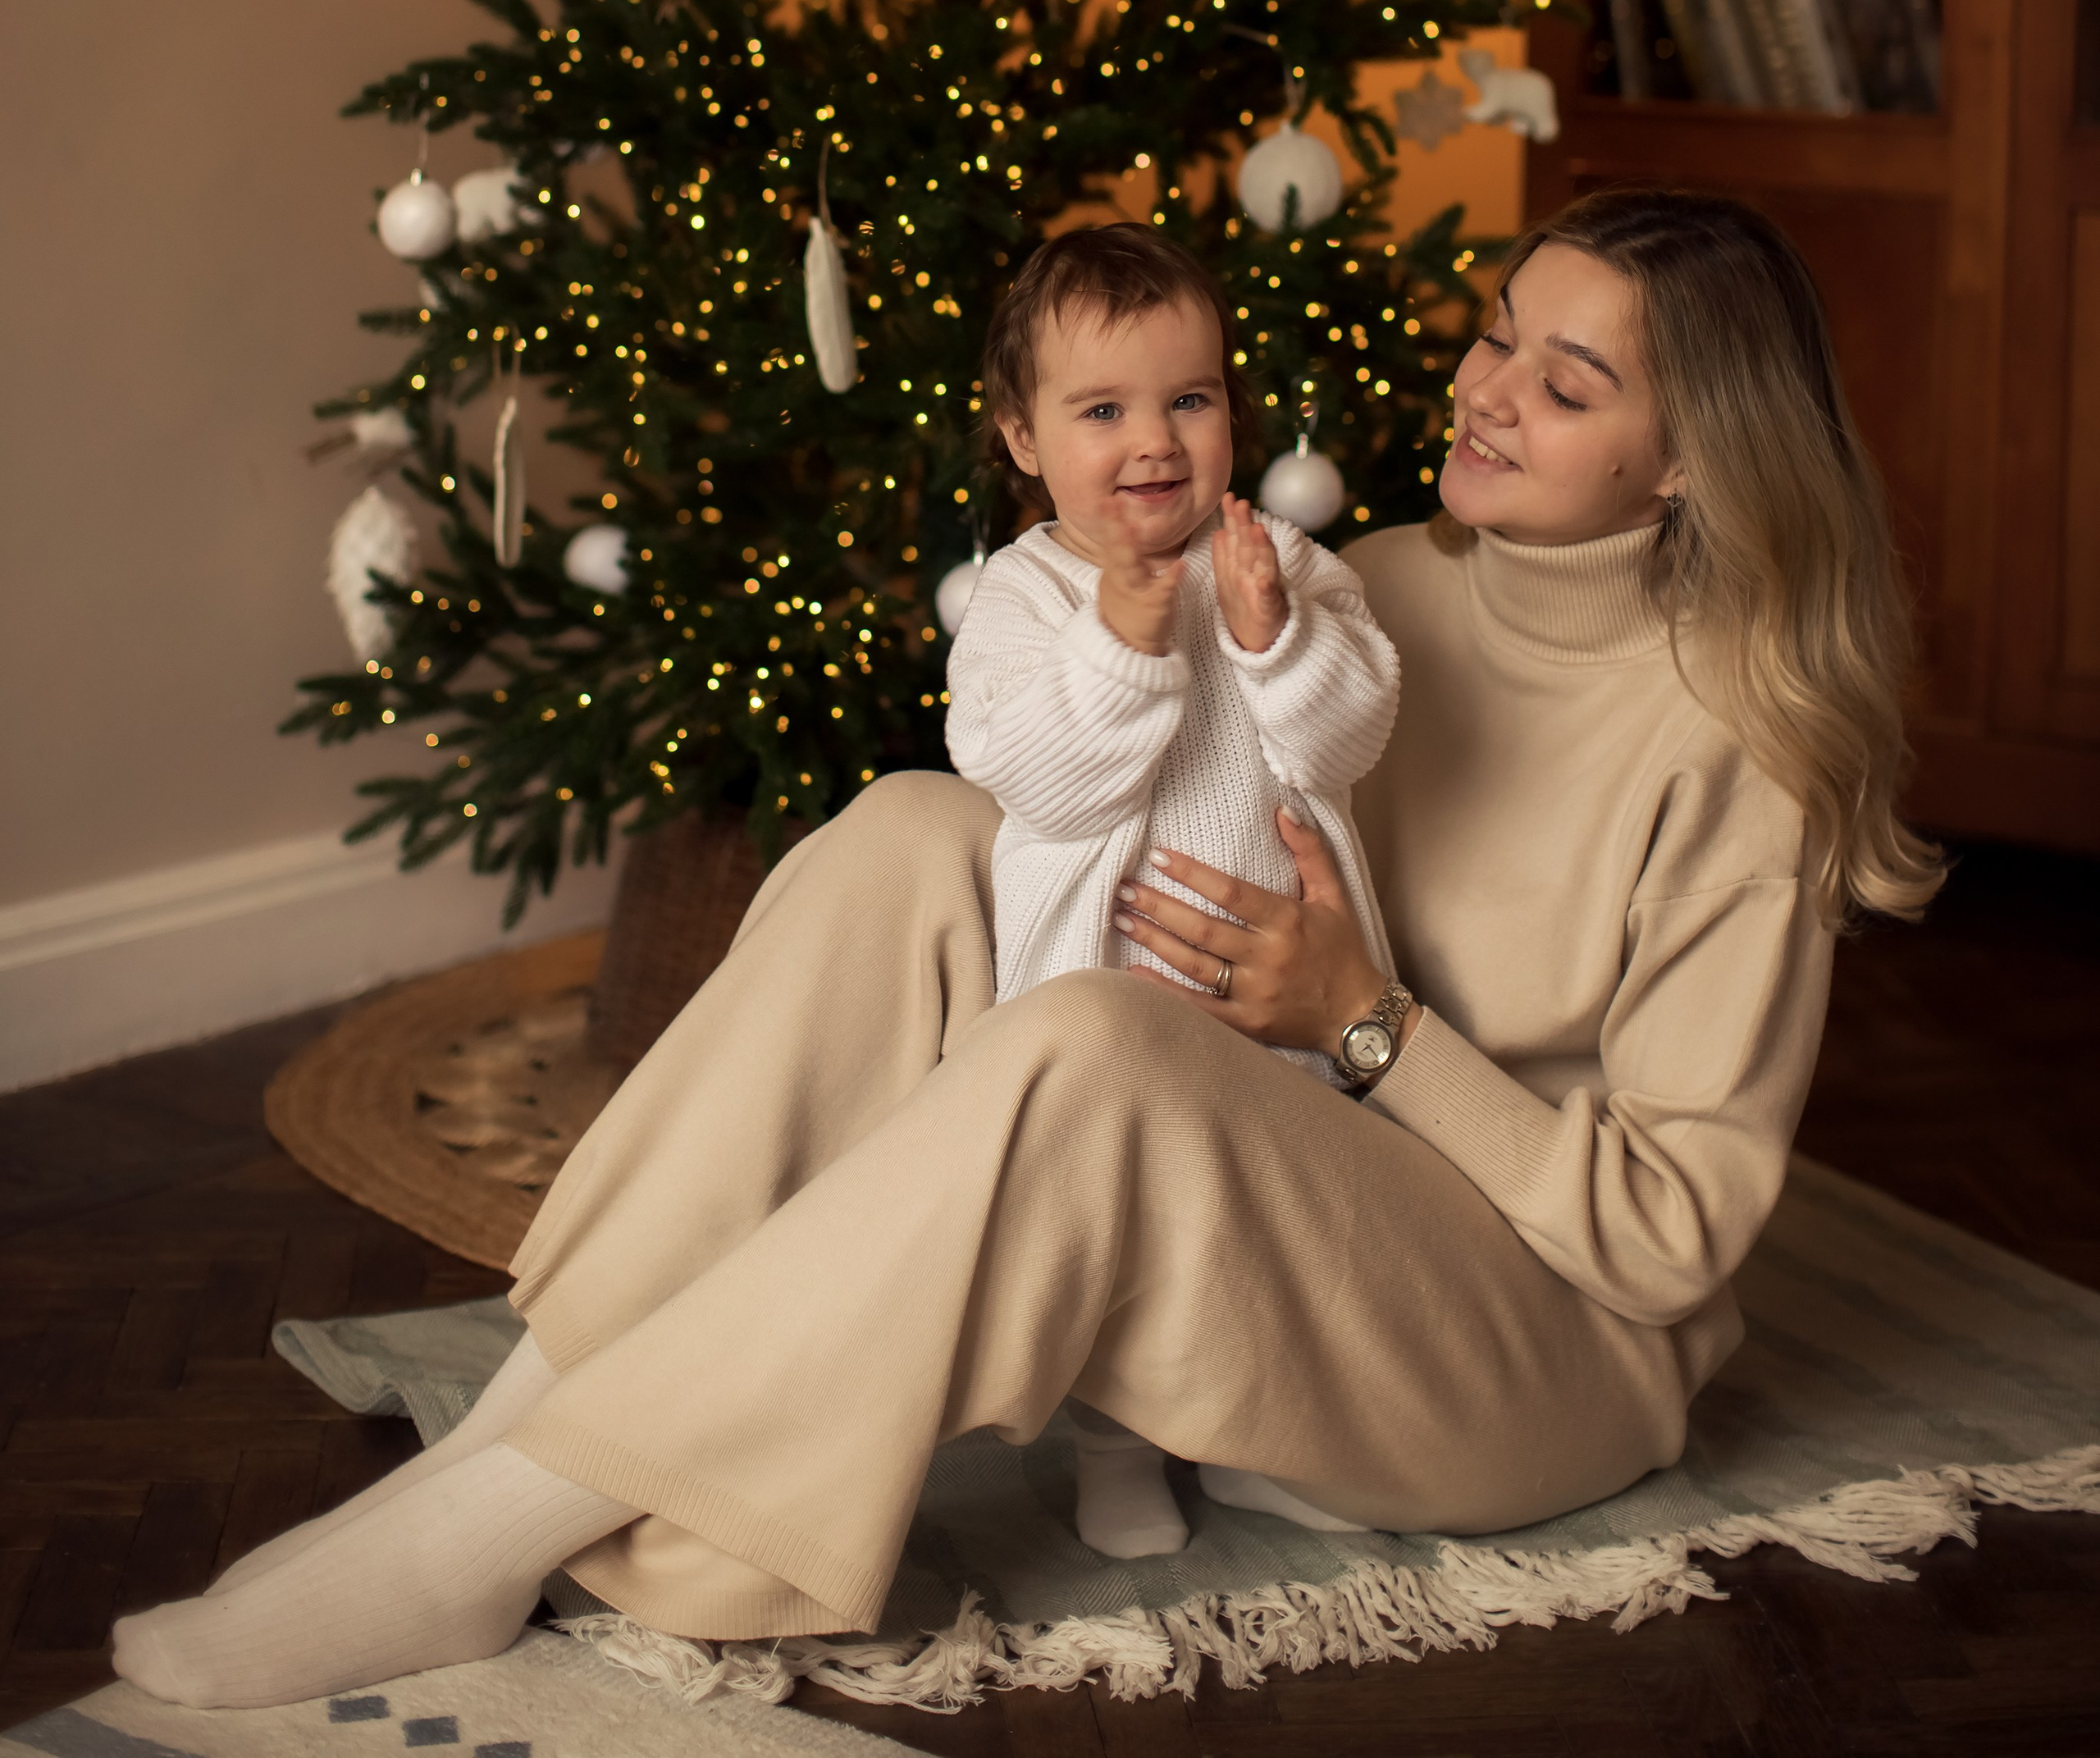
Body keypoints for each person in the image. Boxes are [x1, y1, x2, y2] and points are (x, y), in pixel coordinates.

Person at [113, 186, 1942, 1713]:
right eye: (1490, 340)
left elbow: (1669, 1242)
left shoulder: (1740, 753)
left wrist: (1367, 1026)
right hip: (1295, 1208)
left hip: (1526, 1358)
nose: (1481, 394)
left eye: (1562, 380)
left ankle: (484, 1537)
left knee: (1091, 1047)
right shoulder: (1364, 582)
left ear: (1691, 457)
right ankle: (519, 1430)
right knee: (913, 828)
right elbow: (1122, 769)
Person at [946, 224, 1401, 1554]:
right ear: (1024, 440)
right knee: (1119, 1237)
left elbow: (1350, 739)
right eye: (1103, 410)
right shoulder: (1025, 600)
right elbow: (1038, 777)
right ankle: (1115, 1448)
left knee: (1265, 1233)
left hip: (1283, 993)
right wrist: (1123, 654)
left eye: (1188, 400)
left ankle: (1256, 1442)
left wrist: (1271, 643)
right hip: (1105, 990)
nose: (1154, 440)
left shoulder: (1285, 569)